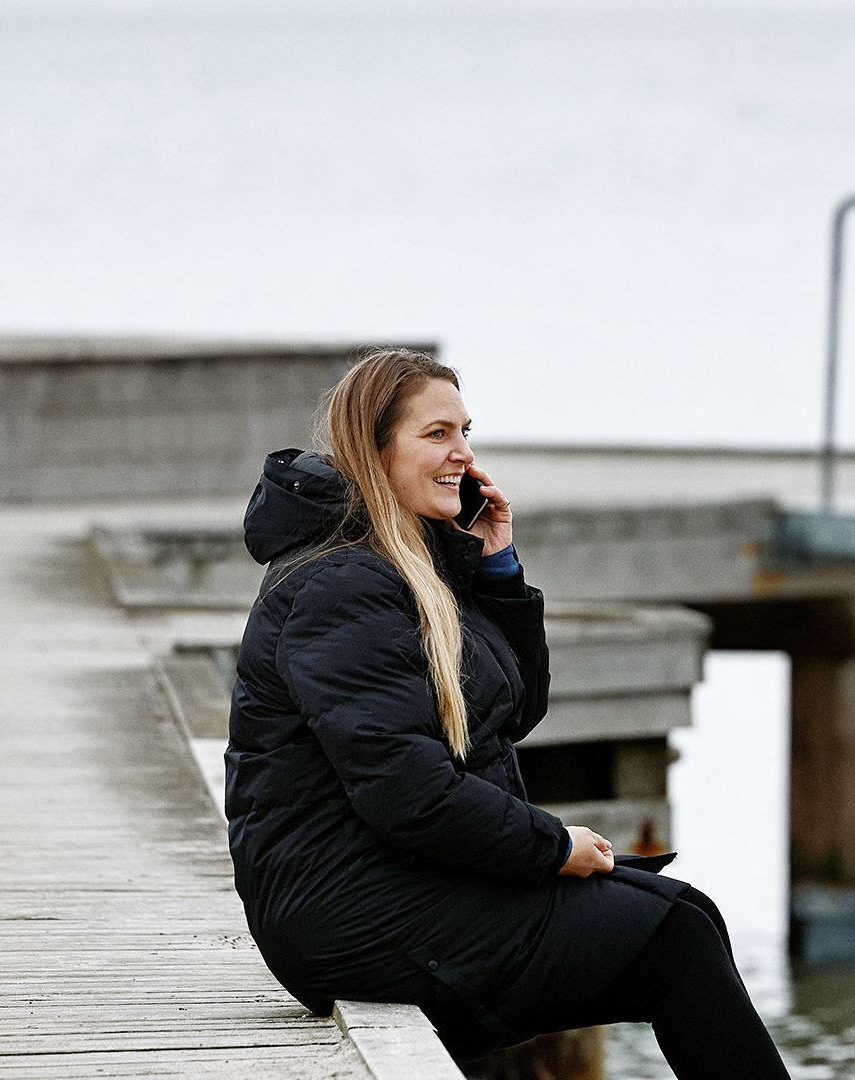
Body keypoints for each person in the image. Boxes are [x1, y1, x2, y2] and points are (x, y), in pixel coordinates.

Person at [224, 348, 790, 1078]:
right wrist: (551, 847)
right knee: (675, 933)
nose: (462, 453)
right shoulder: (343, 586)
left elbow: (510, 713)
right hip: (345, 909)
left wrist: (496, 570)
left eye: (465, 432)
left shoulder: (402, 561)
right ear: (374, 451)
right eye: (436, 434)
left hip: (386, 881)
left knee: (684, 920)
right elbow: (406, 791)